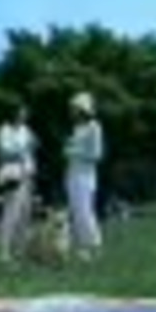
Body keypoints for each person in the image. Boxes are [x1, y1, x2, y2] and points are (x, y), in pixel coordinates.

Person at [63, 92, 105, 262]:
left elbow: (97, 154)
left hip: (86, 175)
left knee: (85, 211)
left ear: (82, 109)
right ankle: (82, 248)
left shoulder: (95, 127)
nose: (71, 111)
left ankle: (95, 245)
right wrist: (69, 149)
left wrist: (73, 152)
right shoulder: (77, 128)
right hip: (72, 174)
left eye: (74, 108)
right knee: (76, 211)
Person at [0, 105, 38, 263]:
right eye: (21, 113)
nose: (24, 116)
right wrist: (22, 150)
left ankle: (20, 249)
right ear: (14, 114)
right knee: (11, 213)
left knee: (25, 214)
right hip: (12, 174)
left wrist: (31, 147)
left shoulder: (26, 130)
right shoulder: (4, 130)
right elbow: (4, 152)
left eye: (25, 114)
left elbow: (34, 147)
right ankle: (4, 251)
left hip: (27, 174)